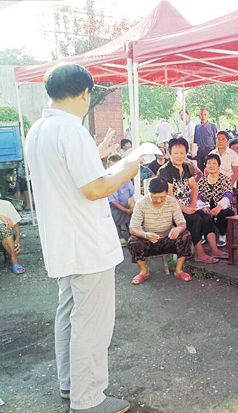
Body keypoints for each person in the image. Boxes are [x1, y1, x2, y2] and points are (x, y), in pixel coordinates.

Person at [26, 63, 139, 413]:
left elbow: (67, 173)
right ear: (85, 93)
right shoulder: (71, 131)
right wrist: (129, 167)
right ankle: (88, 399)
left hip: (62, 242)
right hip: (87, 245)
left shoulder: (39, 130)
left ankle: (70, 385)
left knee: (69, 314)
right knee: (91, 323)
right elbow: (94, 188)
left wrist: (99, 155)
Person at [158, 138, 226, 263]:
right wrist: (186, 209)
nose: (179, 156)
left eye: (182, 153)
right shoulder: (165, 171)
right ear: (169, 153)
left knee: (205, 216)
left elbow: (194, 186)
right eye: (176, 153)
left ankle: (214, 250)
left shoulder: (185, 167)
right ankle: (199, 254)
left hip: (186, 207)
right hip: (171, 210)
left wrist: (193, 205)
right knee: (195, 219)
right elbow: (169, 195)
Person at [128, 177, 193, 285]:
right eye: (154, 197)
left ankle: (178, 270)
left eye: (162, 197)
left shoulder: (172, 202)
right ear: (148, 192)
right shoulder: (141, 203)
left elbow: (182, 223)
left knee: (186, 235)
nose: (158, 200)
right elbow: (132, 228)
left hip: (168, 239)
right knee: (133, 241)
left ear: (167, 193)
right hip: (148, 241)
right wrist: (145, 235)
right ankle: (144, 271)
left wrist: (178, 229)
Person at [197, 154, 235, 247]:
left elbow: (228, 195)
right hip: (207, 206)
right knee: (198, 212)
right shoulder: (202, 180)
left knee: (223, 213)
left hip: (223, 207)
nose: (211, 166)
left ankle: (222, 235)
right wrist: (203, 207)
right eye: (209, 163)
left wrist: (219, 207)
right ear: (205, 165)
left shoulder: (225, 179)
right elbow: (197, 196)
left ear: (219, 165)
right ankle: (203, 234)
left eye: (214, 163)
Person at [106, 153, 135, 246]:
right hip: (113, 208)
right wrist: (126, 210)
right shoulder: (107, 179)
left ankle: (134, 232)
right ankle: (118, 236)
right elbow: (113, 202)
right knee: (112, 213)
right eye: (112, 166)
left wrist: (132, 207)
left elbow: (132, 194)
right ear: (107, 166)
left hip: (127, 205)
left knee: (136, 207)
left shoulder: (125, 178)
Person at [0, 200, 25, 274]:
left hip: (3, 240)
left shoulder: (5, 204)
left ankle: (14, 260)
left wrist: (17, 239)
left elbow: (15, 226)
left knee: (4, 228)